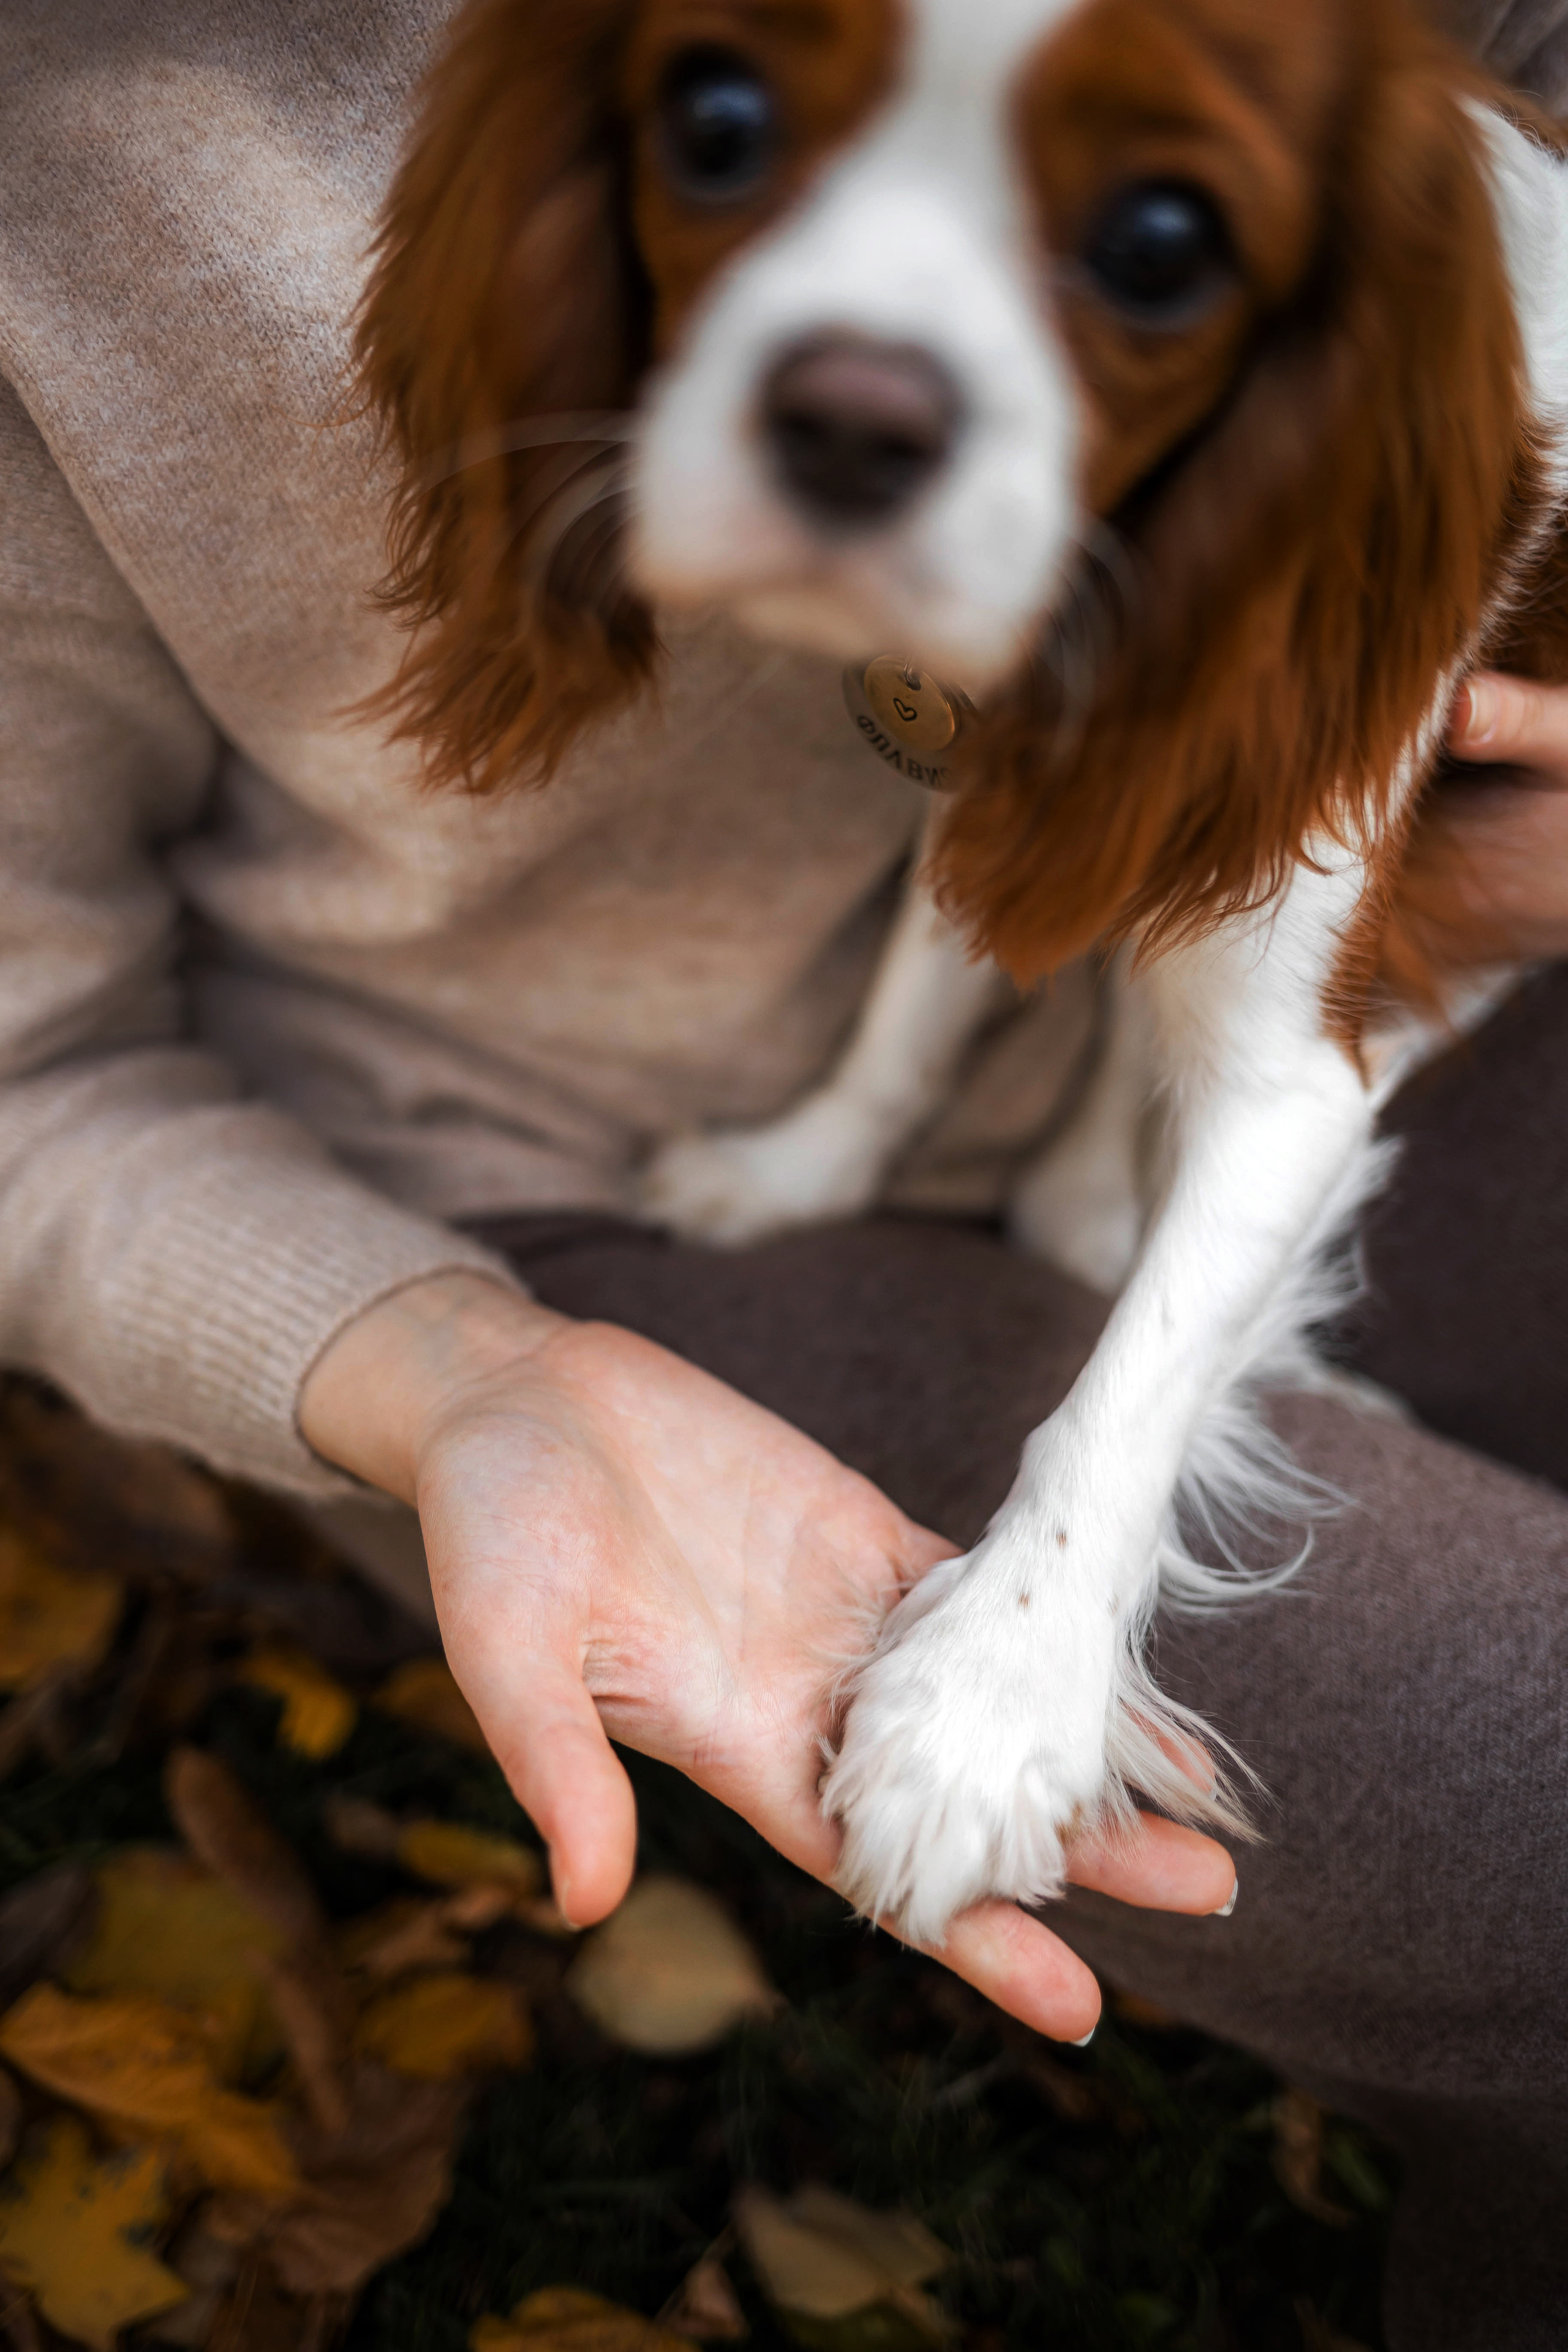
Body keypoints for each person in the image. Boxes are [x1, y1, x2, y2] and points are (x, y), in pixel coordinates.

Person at [0, 4, 1564, 2343]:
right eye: (728, 131)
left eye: (1141, 243)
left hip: (1350, 944)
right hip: (548, 1209)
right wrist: (440, 1368)